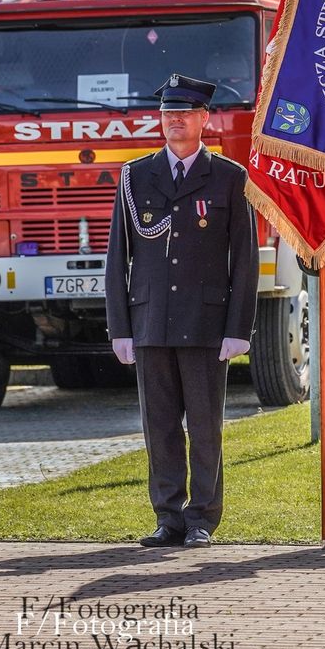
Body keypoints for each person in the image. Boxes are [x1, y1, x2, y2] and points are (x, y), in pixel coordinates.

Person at [106, 73, 258, 549]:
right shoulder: (135, 176)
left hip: (206, 324)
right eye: (168, 113)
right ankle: (168, 516)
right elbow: (117, 257)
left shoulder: (230, 177)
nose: (175, 120)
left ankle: (202, 519)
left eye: (185, 113)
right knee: (160, 427)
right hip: (150, 321)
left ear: (203, 118)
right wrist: (120, 328)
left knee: (206, 427)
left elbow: (245, 259)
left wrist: (239, 328)